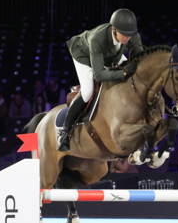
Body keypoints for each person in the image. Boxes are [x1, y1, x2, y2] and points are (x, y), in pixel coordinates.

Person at [59, 8, 145, 150]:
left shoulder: (131, 35)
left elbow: (140, 58)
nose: (127, 38)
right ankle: (65, 131)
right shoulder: (97, 38)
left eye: (129, 34)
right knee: (88, 91)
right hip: (84, 55)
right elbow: (98, 74)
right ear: (113, 29)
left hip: (110, 56)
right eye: (123, 34)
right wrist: (123, 73)